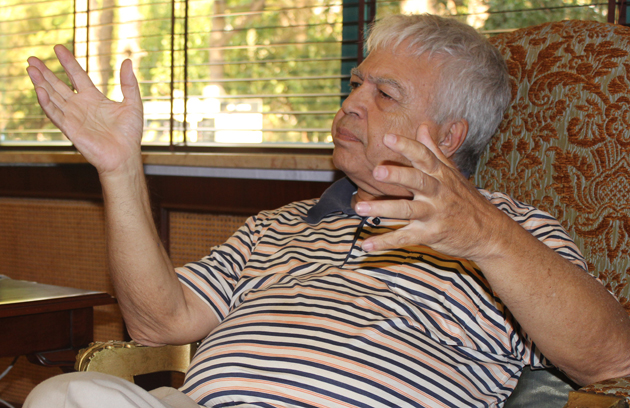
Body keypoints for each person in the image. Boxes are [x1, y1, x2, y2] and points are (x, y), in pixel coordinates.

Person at [24, 13, 630, 408]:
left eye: (383, 93)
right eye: (355, 83)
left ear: (447, 137)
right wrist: (120, 170)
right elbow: (159, 325)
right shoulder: (278, 224)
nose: (351, 103)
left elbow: (612, 358)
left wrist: (486, 238)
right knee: (65, 395)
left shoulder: (514, 234)